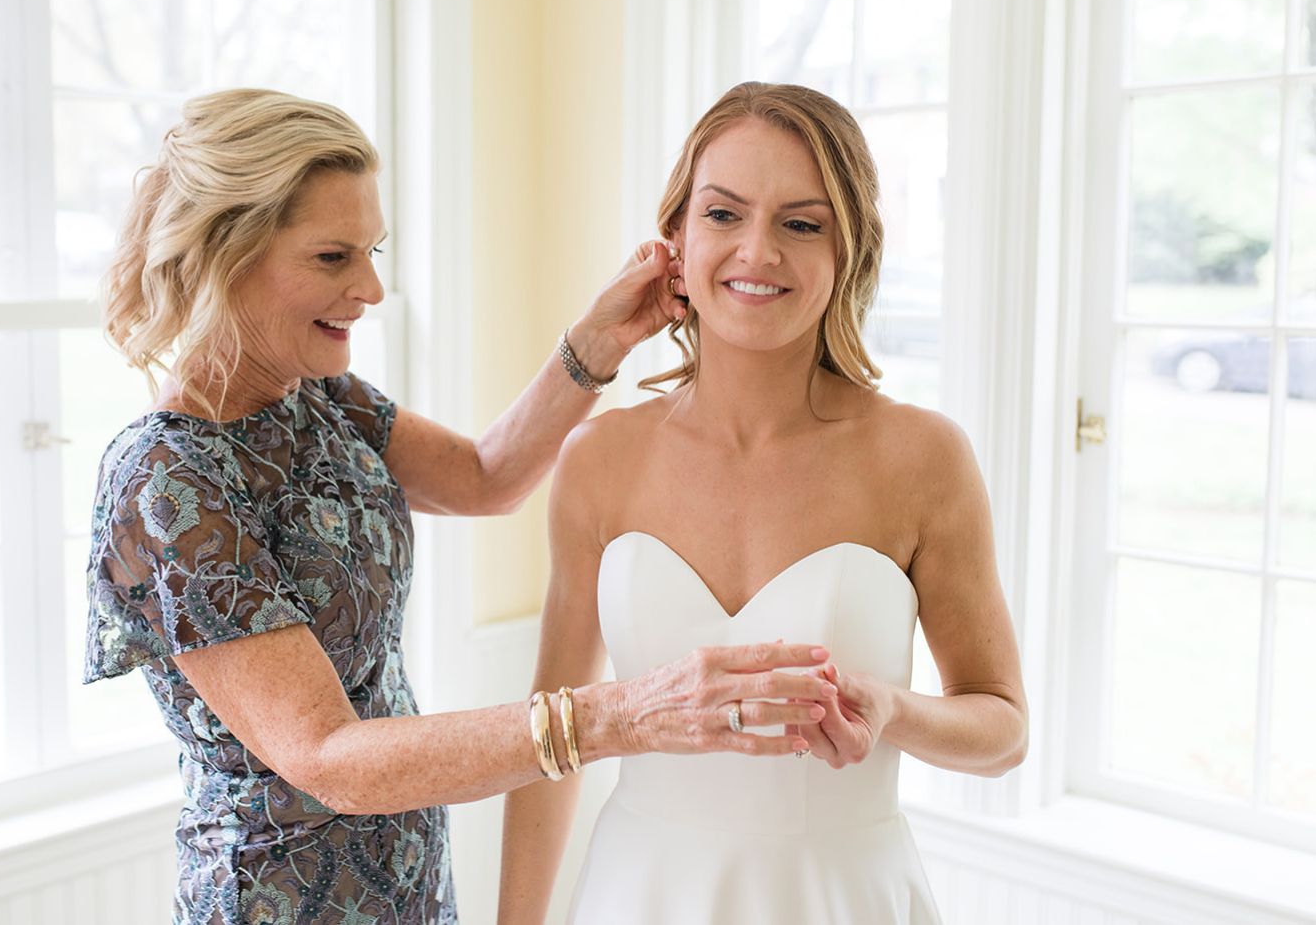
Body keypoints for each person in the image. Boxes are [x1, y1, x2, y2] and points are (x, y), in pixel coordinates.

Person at [82, 88, 836, 925]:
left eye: (371, 250)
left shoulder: (318, 396)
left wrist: (599, 342)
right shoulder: (166, 481)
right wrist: (623, 712)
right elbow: (331, 758)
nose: (370, 286)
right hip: (276, 904)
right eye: (333, 258)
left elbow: (485, 478)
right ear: (227, 255)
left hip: (409, 889)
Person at [497, 81, 1029, 924]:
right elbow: (549, 739)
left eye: (801, 223)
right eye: (722, 214)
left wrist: (891, 712)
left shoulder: (924, 457)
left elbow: (1002, 728)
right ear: (674, 238)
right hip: (640, 894)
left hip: (844, 897)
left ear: (848, 251)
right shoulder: (598, 457)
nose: (758, 251)